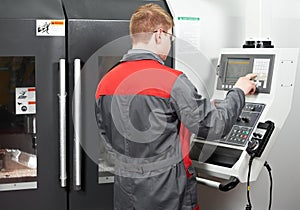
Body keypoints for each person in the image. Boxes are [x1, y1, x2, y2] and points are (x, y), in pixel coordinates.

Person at [95, 3, 256, 210]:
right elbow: (214, 126)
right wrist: (239, 92)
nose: (169, 45)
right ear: (159, 35)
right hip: (168, 195)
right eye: (170, 38)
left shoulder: (107, 82)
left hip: (126, 194)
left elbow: (108, 137)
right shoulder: (169, 80)